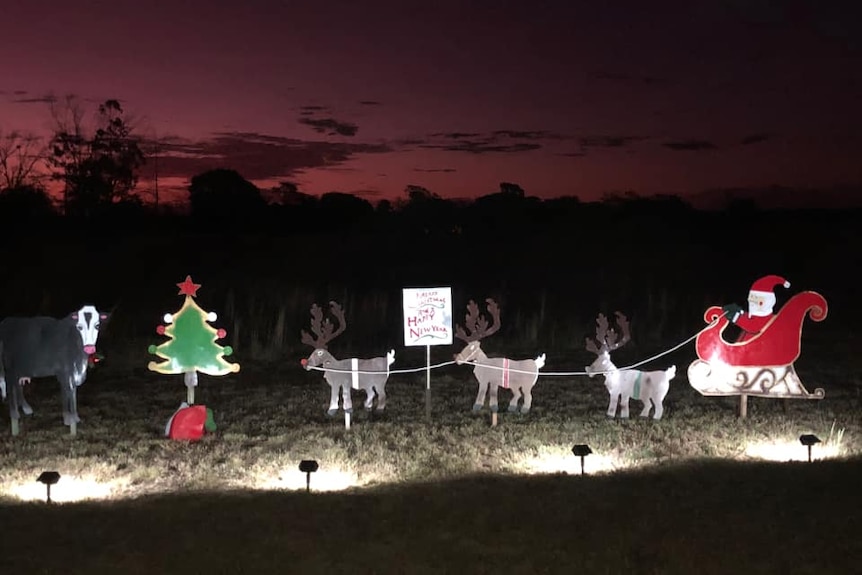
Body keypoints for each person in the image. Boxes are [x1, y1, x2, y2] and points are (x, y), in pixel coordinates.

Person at [722, 275, 790, 342]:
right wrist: (740, 311)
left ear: (766, 302)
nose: (752, 303)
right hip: (746, 346)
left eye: (756, 300)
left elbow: (753, 326)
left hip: (757, 348)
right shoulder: (757, 313)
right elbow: (750, 318)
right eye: (752, 299)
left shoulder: (765, 317)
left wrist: (736, 317)